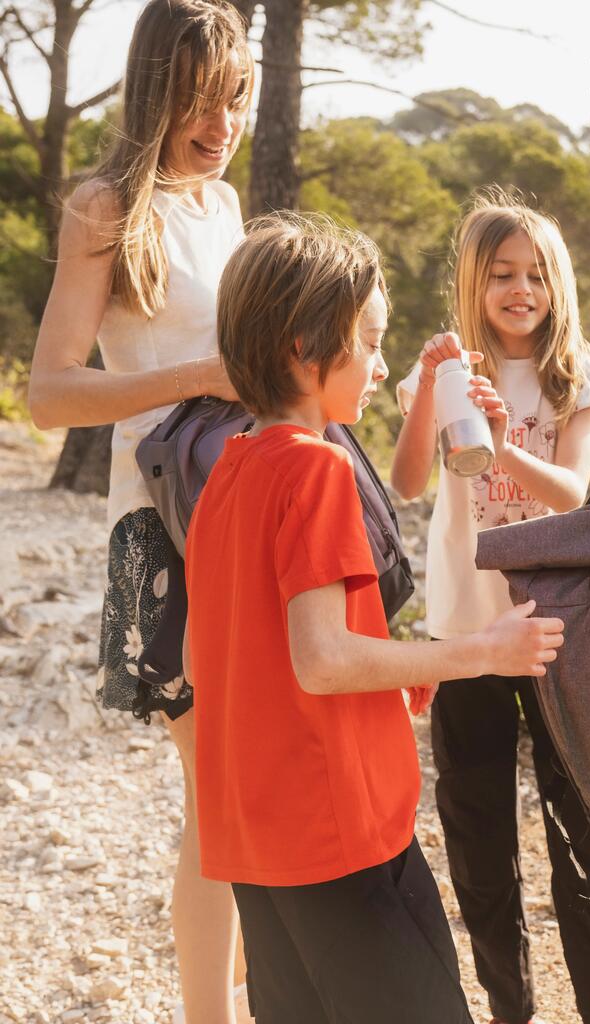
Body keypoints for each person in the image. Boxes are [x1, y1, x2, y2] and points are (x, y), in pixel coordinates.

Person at [183, 212, 565, 1024]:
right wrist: (480, 652)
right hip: (338, 833)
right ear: (302, 344)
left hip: (251, 834)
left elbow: (223, 651)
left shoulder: (227, 470)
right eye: (368, 339)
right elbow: (321, 661)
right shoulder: (317, 468)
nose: (381, 361)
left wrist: (392, 675)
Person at [28, 2, 255, 1021]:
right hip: (157, 538)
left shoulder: (225, 208)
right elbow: (47, 392)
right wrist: (200, 376)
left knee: (245, 788)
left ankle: (247, 998)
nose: (219, 125)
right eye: (198, 103)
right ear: (154, 93)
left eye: (237, 98)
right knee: (218, 790)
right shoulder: (103, 207)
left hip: (249, 530)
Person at [391, 192, 590, 1024]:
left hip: (557, 626)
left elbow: (572, 492)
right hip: (466, 630)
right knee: (478, 832)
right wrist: (432, 387)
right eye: (501, 274)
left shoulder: (580, 376)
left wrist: (503, 450)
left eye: (536, 274)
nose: (519, 288)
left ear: (558, 284)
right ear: (474, 282)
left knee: (582, 834)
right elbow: (410, 480)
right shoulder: (453, 373)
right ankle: (509, 1009)